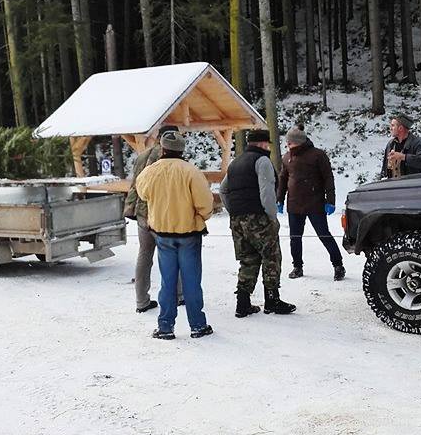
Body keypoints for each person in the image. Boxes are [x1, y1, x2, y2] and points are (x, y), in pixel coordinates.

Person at [135, 131, 215, 340]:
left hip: (162, 234)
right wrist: (201, 216)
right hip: (189, 234)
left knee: (167, 281)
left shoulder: (151, 172)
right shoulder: (191, 171)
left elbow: (142, 193)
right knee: (191, 281)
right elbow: (205, 204)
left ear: (162, 148)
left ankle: (165, 326)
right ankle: (197, 325)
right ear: (182, 149)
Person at [220, 129, 297, 318]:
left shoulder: (235, 163)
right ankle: (272, 300)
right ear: (263, 144)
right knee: (271, 257)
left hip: (237, 220)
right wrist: (271, 216)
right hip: (259, 218)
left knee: (248, 259)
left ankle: (243, 303)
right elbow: (267, 191)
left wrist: (235, 212)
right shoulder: (262, 161)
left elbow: (223, 190)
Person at [124, 125, 183, 313]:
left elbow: (135, 186)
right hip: (163, 214)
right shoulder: (172, 157)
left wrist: (131, 209)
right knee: (174, 254)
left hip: (143, 213)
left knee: (144, 254)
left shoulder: (142, 156)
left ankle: (141, 301)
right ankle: (179, 295)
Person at [277, 126, 345, 281]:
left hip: (315, 202)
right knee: (295, 237)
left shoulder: (317, 155)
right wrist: (279, 199)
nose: (288, 145)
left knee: (323, 234)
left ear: (299, 142)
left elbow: (328, 177)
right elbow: (282, 179)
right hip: (294, 204)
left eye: (290, 142)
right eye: (287, 142)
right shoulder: (287, 157)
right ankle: (297, 266)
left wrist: (330, 200)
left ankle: (338, 265)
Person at [380, 114, 421, 179]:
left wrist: (403, 157)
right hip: (394, 187)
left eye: (393, 125)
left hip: (414, 187)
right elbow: (384, 170)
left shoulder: (418, 143)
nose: (390, 128)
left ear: (400, 128)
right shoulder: (390, 144)